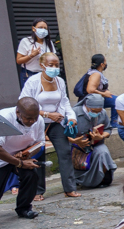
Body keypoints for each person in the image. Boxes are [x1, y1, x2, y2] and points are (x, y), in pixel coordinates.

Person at [20, 52, 81, 199]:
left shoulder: (59, 81)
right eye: (51, 65)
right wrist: (47, 114)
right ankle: (38, 191)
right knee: (38, 154)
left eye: (57, 65)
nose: (54, 68)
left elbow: (65, 101)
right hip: (36, 123)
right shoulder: (33, 82)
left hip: (57, 122)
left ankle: (69, 188)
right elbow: (23, 104)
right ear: (42, 66)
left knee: (65, 152)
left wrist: (71, 117)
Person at [71, 94, 117, 189]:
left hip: (96, 144)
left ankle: (103, 179)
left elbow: (108, 129)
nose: (96, 113)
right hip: (77, 145)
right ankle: (79, 179)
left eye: (98, 111)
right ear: (87, 106)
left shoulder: (102, 112)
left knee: (103, 152)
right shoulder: (74, 113)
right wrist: (77, 141)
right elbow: (65, 134)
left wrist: (101, 136)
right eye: (94, 111)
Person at [16, 18, 57, 89]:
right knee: (31, 98)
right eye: (40, 27)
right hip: (30, 74)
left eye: (45, 28)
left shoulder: (48, 42)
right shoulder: (26, 41)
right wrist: (32, 55)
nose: (43, 30)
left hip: (46, 74)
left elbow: (54, 58)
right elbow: (19, 60)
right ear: (33, 28)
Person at [81, 54, 119, 127]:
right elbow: (90, 90)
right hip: (91, 100)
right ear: (102, 64)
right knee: (117, 101)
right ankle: (113, 122)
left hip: (97, 98)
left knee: (115, 99)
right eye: (105, 61)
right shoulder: (96, 74)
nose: (106, 63)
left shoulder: (94, 72)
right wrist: (104, 94)